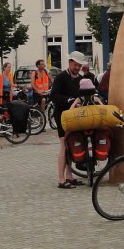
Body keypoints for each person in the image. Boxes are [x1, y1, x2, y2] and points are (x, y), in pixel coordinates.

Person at [51, 51, 86, 188]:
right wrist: (69, 100)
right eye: (75, 65)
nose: (77, 67)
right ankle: (61, 179)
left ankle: (69, 176)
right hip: (62, 115)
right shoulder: (61, 77)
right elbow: (54, 96)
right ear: (70, 62)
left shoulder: (80, 79)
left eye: (79, 65)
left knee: (72, 144)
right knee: (64, 145)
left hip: (75, 115)